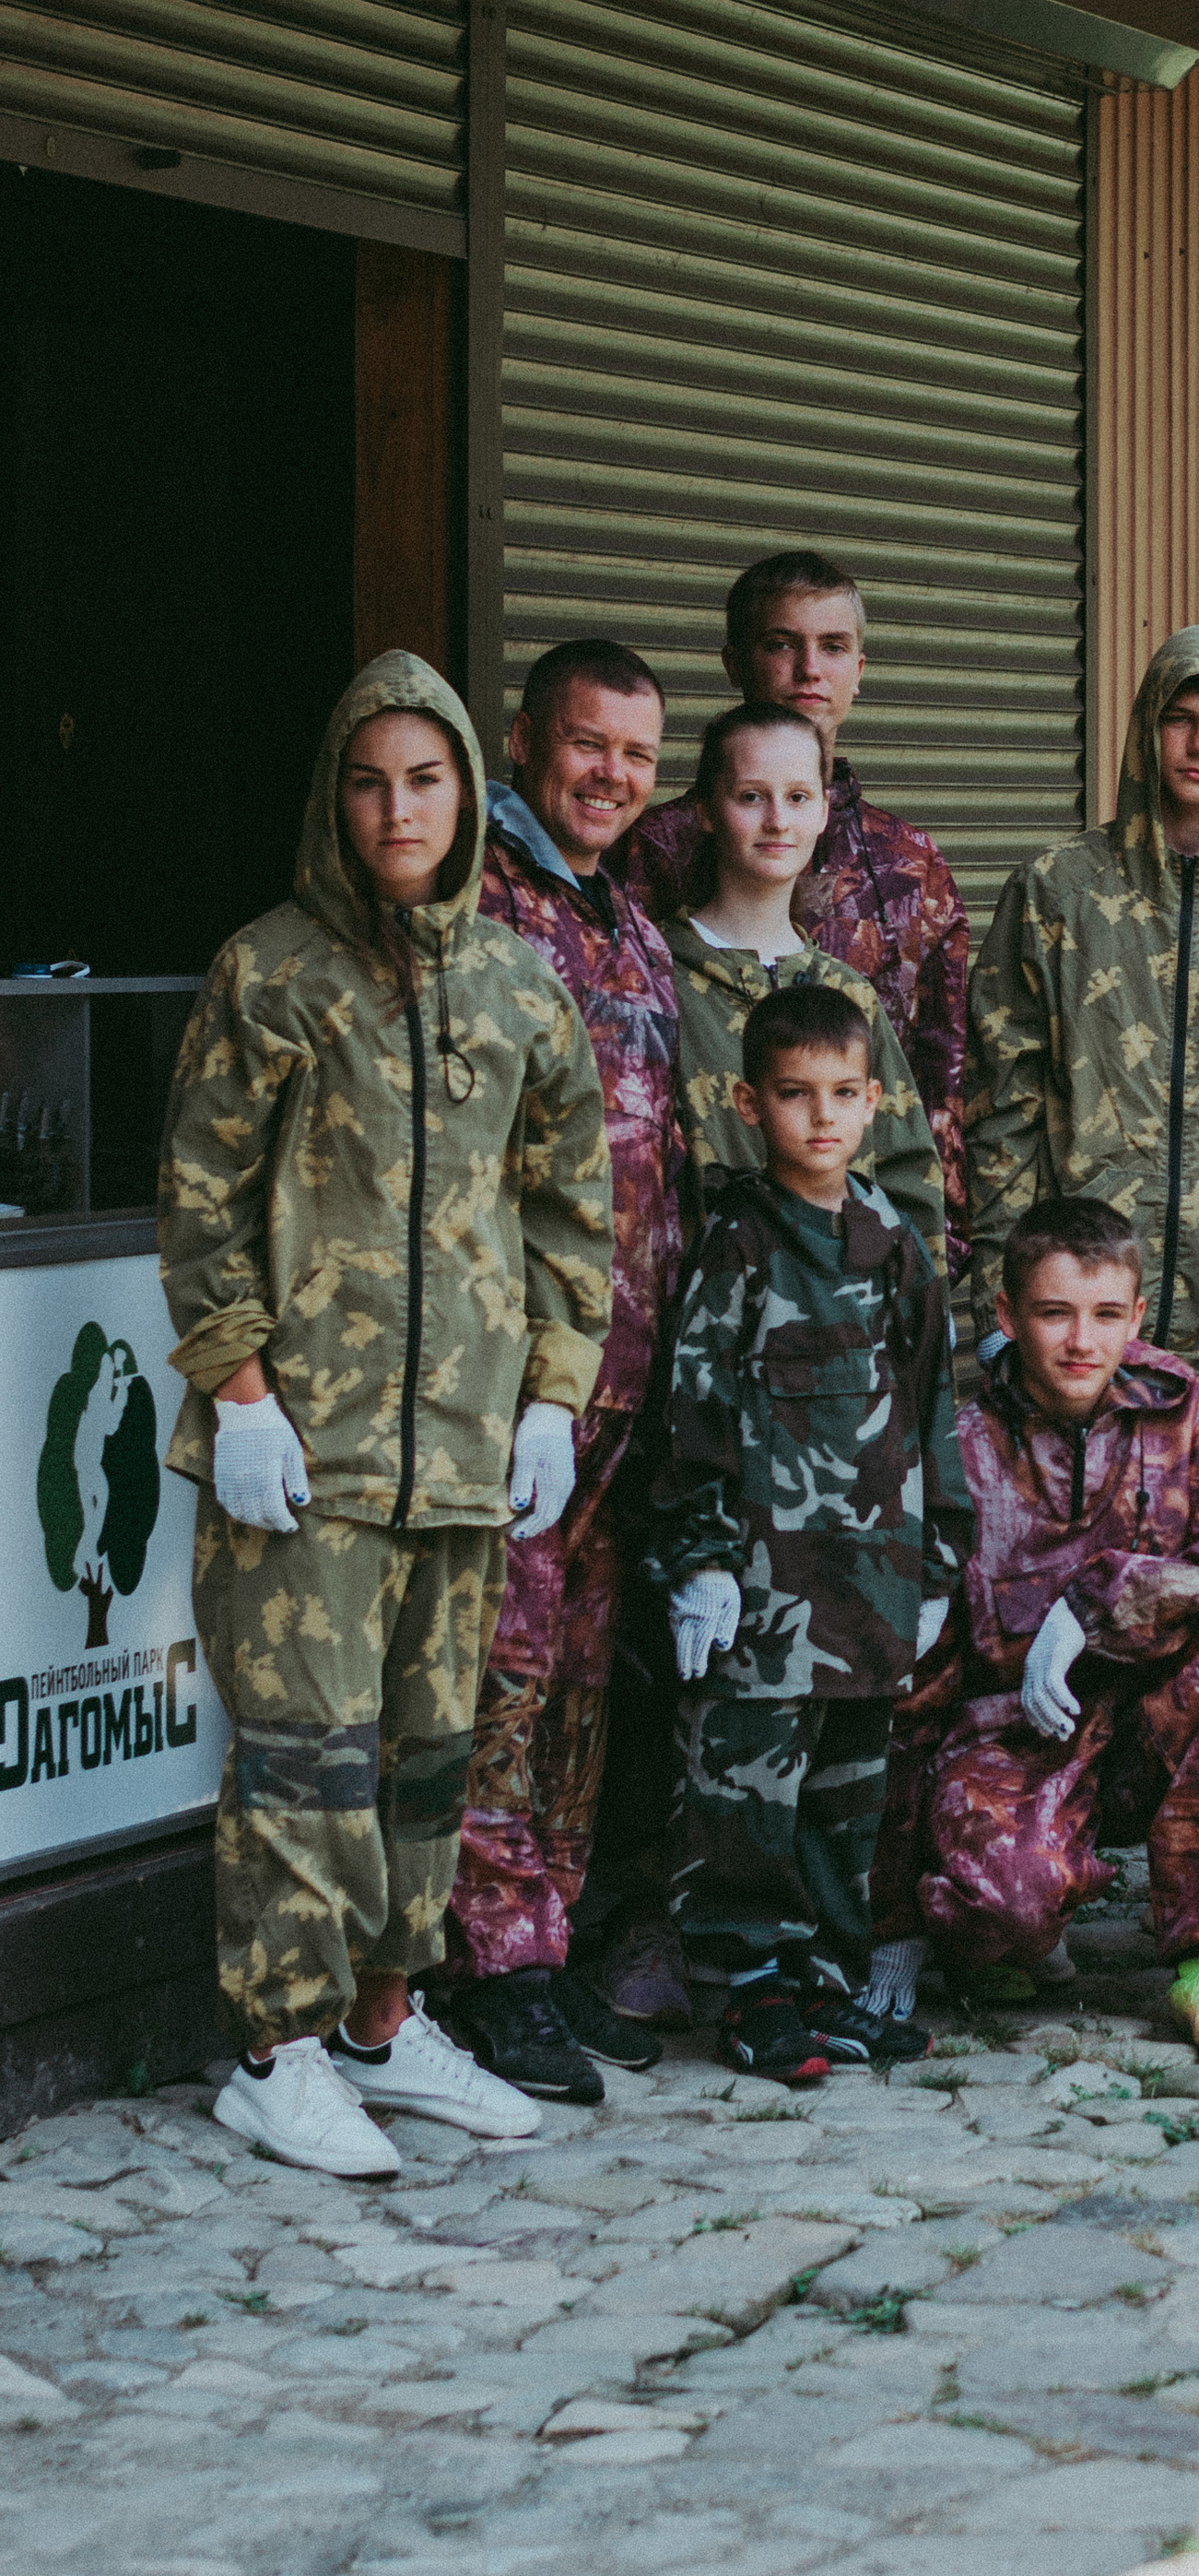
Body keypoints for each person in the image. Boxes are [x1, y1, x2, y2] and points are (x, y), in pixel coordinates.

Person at [159, 653, 614, 2180]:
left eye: (425, 779)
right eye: (369, 781)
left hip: (467, 1449)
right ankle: (276, 2053)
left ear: (467, 793)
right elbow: (200, 1199)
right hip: (307, 1448)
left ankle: (380, 2019)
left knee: (430, 1756)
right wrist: (238, 1394)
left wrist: (554, 1396)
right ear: (333, 799)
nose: (396, 809)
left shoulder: (518, 982)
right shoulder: (269, 972)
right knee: (305, 1757)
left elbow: (570, 1210)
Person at [873, 1195, 1199, 2058]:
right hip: (1024, 1738)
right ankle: (1011, 1934)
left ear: (1138, 1315)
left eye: (1107, 1314)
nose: (1082, 1341)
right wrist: (893, 1920)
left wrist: (1102, 1602)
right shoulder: (961, 1445)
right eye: (1054, 1314)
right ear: (1006, 1317)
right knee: (999, 1907)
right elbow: (913, 1689)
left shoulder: (1188, 1413)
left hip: (1166, 1729)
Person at [438, 639, 683, 2105]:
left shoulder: (625, 915)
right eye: (589, 746)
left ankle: (552, 1933)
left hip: (628, 1367)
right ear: (523, 741)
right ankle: (489, 1966)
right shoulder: (481, 906)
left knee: (583, 1668)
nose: (613, 778)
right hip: (522, 1371)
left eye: (640, 759)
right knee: (502, 1667)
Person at [647, 976, 970, 2083]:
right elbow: (693, 1409)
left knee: (843, 1800)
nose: (821, 1117)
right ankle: (751, 1993)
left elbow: (932, 1408)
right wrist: (696, 1557)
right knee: (750, 1796)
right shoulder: (738, 1243)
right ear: (750, 1103)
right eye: (794, 1095)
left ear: (875, 1099)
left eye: (842, 1093)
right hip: (764, 1594)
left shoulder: (892, 1242)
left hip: (868, 1587)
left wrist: (938, 1564)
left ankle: (826, 1988)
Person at [965, 626, 1199, 1471]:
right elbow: (1000, 1117)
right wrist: (998, 1307)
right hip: (1081, 1328)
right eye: (1181, 717)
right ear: (1146, 729)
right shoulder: (1056, 894)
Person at [620, 550, 969, 1246]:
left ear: (859, 671)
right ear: (737, 664)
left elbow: (941, 1084)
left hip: (858, 1260)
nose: (809, 670)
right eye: (782, 644)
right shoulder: (652, 849)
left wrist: (929, 1267)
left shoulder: (912, 867)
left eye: (833, 647)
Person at [664, 701, 945, 1265]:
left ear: (823, 812)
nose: (776, 820)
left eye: (797, 797)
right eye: (750, 796)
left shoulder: (847, 994)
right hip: (711, 1320)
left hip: (847, 1326)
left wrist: (915, 1309)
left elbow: (910, 1177)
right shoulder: (657, 979)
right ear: (706, 811)